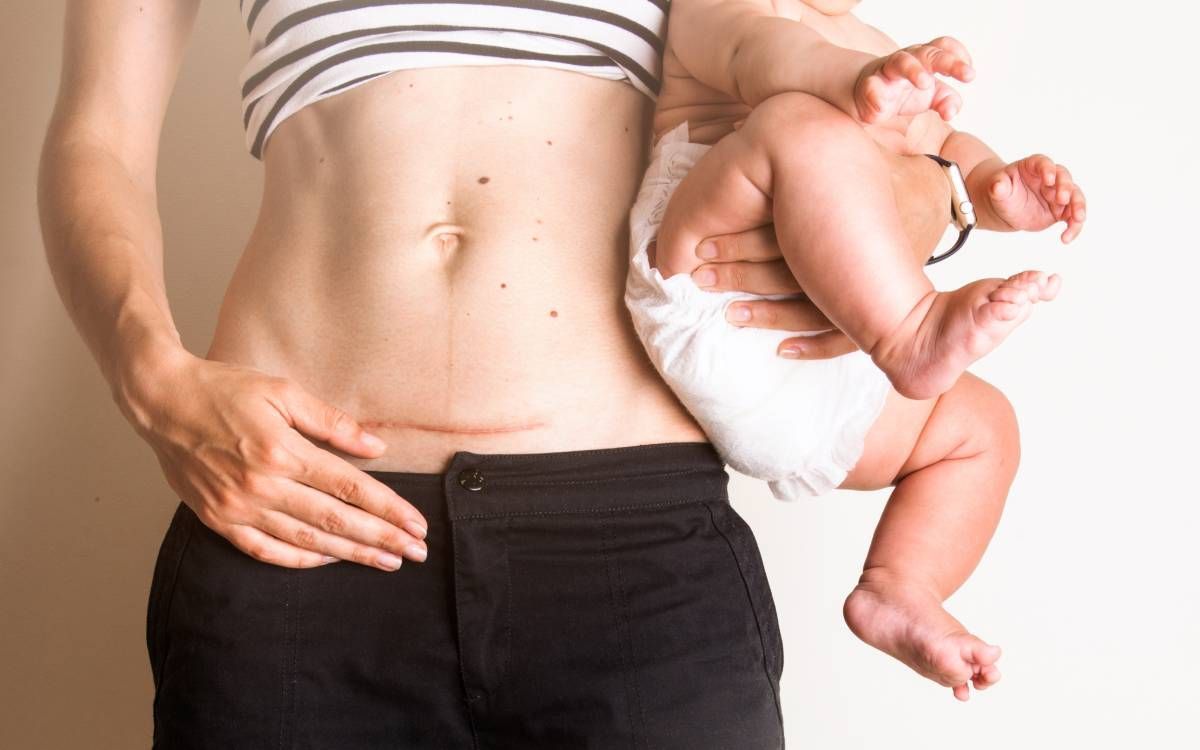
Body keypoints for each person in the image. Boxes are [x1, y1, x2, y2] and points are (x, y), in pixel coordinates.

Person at [38, 1, 953, 747]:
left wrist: (924, 209)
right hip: (295, 527)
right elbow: (97, 138)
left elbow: (876, 111)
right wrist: (153, 380)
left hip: (628, 546)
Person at [628, 0, 1087, 702]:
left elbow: (943, 153)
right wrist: (863, 80)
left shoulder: (883, 46)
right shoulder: (722, 6)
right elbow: (763, 52)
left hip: (830, 363)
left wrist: (996, 189)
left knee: (982, 429)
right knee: (794, 120)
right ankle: (911, 331)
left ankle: (900, 586)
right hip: (713, 285)